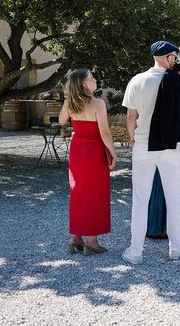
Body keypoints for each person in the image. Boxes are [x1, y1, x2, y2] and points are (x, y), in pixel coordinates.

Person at [121, 41, 180, 265]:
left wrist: (133, 138)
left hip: (144, 144)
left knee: (140, 199)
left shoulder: (137, 80)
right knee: (174, 198)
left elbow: (130, 117)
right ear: (169, 58)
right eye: (173, 56)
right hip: (170, 147)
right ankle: (176, 246)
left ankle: (136, 251)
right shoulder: (178, 82)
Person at [59, 69, 117, 255]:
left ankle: (76, 238)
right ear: (84, 84)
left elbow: (61, 121)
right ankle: (91, 241)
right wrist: (113, 152)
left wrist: (68, 102)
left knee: (78, 193)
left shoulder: (70, 103)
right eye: (92, 78)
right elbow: (105, 132)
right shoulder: (98, 103)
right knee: (95, 194)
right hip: (94, 152)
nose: (95, 79)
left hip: (77, 151)